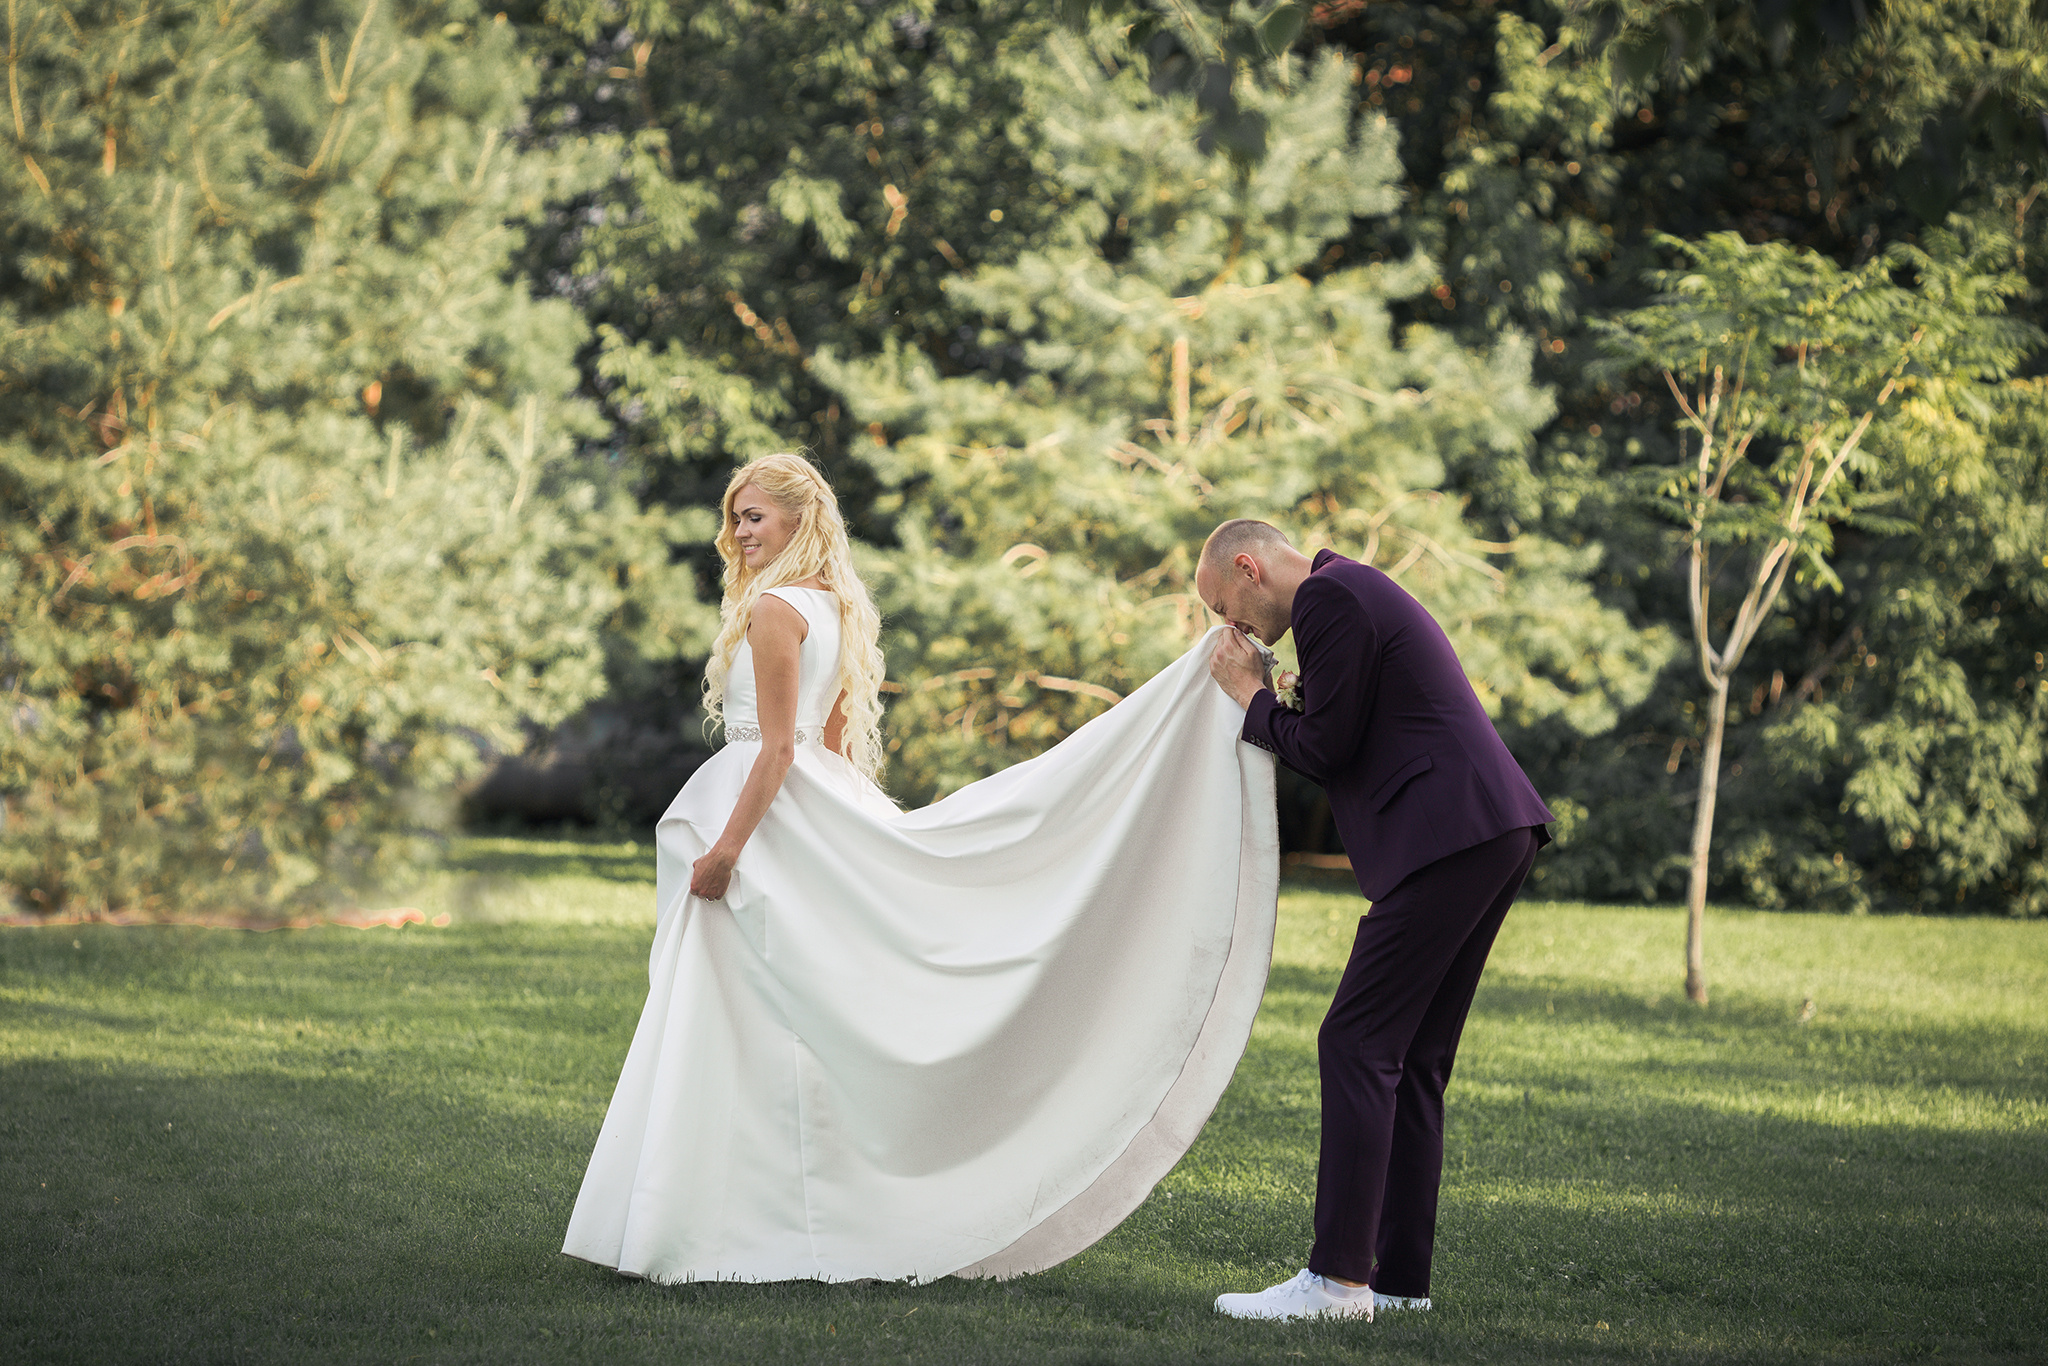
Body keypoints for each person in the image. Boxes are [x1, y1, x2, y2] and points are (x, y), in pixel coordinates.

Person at [562, 454, 1282, 1285]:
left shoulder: (773, 611)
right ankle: (769, 1218)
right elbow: (829, 748)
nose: (738, 533)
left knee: (733, 1014)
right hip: (806, 814)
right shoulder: (831, 606)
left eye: (754, 516)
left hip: (761, 819)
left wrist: (725, 851)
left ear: (800, 520)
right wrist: (857, 830)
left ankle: (706, 1223)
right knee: (774, 1015)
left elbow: (779, 750)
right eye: (736, 518)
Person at [1199, 519, 1553, 1323]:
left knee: (1356, 1042)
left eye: (1227, 607)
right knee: (1414, 1060)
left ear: (1249, 567)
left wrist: (1252, 698)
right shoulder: (1345, 591)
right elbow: (1348, 729)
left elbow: (1325, 747)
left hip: (1450, 836)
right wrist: (1276, 697)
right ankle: (1398, 1285)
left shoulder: (1328, 597)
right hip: (1489, 829)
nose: (1233, 629)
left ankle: (1336, 1282)